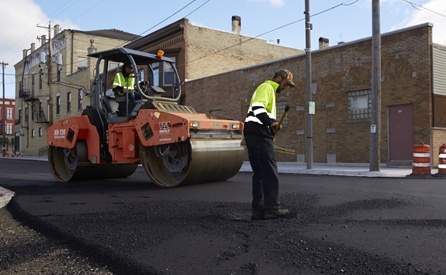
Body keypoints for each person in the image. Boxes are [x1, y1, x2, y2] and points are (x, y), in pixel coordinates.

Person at [244, 69, 296, 220]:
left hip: (254, 133)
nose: (285, 88)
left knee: (259, 173)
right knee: (269, 172)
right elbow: (257, 108)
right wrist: (270, 123)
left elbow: (258, 112)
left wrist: (270, 131)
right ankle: (272, 208)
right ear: (279, 78)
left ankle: (258, 210)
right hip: (258, 133)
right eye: (286, 84)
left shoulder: (268, 91)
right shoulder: (267, 87)